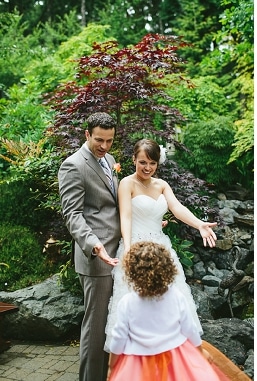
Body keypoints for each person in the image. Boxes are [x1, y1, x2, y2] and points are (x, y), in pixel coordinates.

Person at [104, 138, 218, 354]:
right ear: (134, 160)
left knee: (172, 299)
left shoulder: (162, 185)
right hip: (136, 249)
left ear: (158, 163)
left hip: (161, 250)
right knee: (136, 302)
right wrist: (129, 248)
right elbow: (126, 217)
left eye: (152, 163)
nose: (147, 168)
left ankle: (171, 354)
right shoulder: (127, 183)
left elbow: (177, 208)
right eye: (143, 162)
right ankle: (140, 353)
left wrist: (199, 224)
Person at [107, 241, 229, 380]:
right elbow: (190, 329)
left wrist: (112, 366)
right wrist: (200, 352)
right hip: (176, 359)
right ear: (167, 269)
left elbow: (119, 338)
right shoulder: (176, 296)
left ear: (132, 272)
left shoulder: (127, 302)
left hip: (139, 362)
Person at [58, 112, 120, 381]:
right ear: (86, 135)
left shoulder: (110, 160)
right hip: (97, 259)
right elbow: (72, 215)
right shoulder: (73, 165)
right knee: (95, 332)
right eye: (99, 140)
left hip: (118, 255)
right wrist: (94, 246)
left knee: (111, 326)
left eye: (109, 141)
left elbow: (112, 205)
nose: (104, 146)